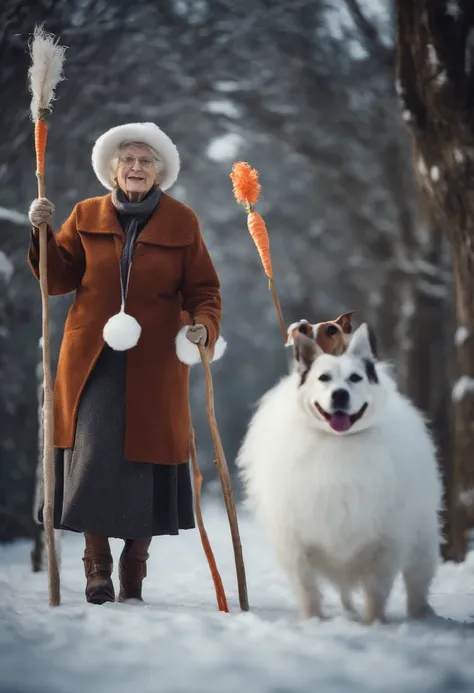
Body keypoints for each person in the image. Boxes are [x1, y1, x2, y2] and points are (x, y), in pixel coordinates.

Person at [27, 122, 224, 605]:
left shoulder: (183, 222)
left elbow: (204, 290)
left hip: (157, 360)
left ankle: (134, 566)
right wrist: (41, 232)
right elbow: (58, 278)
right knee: (92, 454)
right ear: (113, 168)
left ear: (160, 172)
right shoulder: (84, 214)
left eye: (146, 161)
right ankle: (97, 567)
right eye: (128, 159)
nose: (136, 168)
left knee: (148, 461)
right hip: (91, 359)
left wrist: (202, 325)